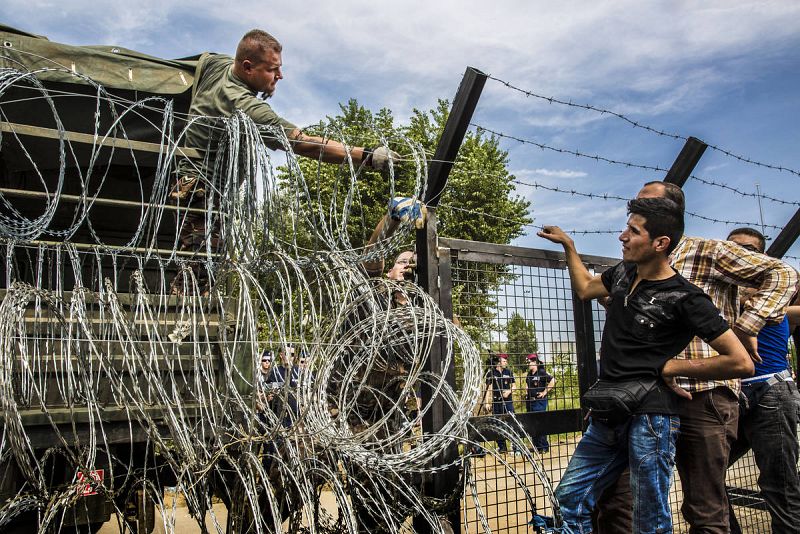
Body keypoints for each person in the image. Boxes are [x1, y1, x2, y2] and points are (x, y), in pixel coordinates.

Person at [538, 197, 753, 533]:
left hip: (650, 420)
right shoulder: (623, 273)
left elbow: (739, 361)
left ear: (660, 243)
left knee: (648, 517)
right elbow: (584, 288)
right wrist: (569, 246)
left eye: (633, 231)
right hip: (610, 414)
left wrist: (671, 367)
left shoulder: (686, 297)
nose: (622, 236)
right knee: (570, 499)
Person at [171, 29, 399, 294]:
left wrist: (261, 84)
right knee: (198, 277)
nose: (280, 76)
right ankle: (183, 326)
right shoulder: (244, 106)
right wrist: (369, 156)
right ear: (247, 67)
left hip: (194, 182)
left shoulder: (217, 64)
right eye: (272, 70)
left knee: (205, 266)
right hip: (204, 192)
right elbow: (304, 143)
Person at [725, 227, 800, 534]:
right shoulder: (721, 293)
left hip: (771, 392)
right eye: (733, 249)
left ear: (762, 256)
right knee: (705, 474)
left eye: (748, 249)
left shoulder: (775, 292)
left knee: (779, 484)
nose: (740, 254)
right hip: (733, 396)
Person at [483, 353, 518, 454]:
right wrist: (487, 402)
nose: (506, 362)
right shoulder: (491, 373)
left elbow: (514, 386)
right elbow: (488, 389)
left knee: (511, 422)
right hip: (496, 402)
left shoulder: (508, 372)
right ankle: (502, 447)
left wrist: (509, 391)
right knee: (497, 423)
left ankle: (515, 446)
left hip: (508, 402)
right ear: (499, 362)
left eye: (506, 361)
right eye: (504, 361)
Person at [524, 353, 555, 453]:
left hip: (539, 402)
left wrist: (544, 392)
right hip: (530, 402)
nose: (528, 364)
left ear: (535, 362)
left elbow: (553, 380)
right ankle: (536, 446)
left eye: (529, 362)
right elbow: (527, 385)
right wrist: (526, 392)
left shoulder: (541, 372)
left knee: (539, 423)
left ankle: (544, 447)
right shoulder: (529, 374)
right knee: (532, 424)